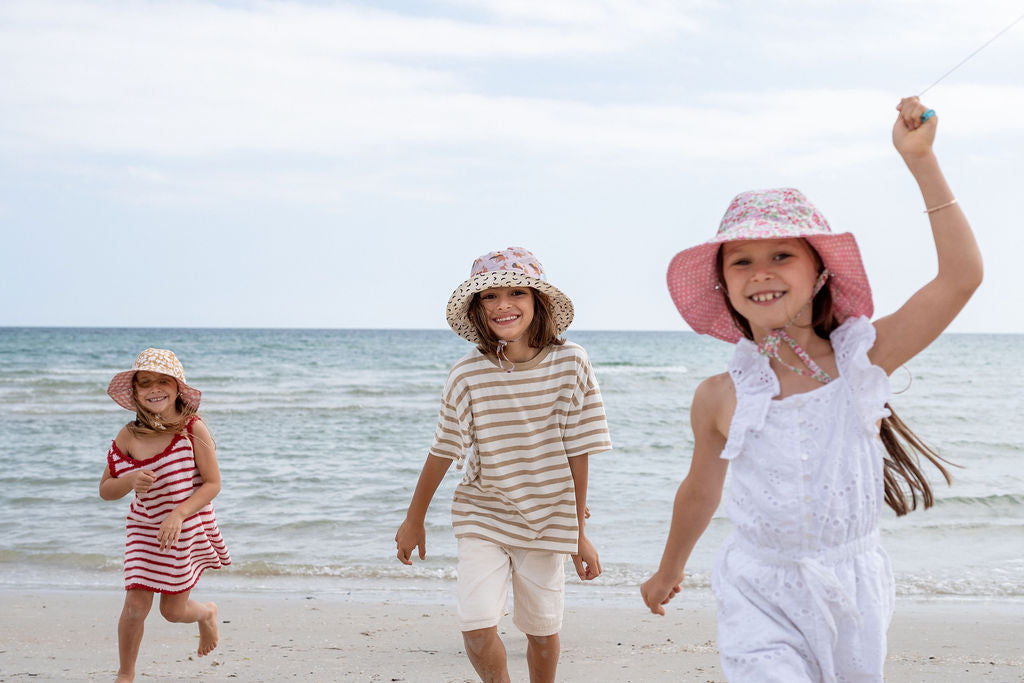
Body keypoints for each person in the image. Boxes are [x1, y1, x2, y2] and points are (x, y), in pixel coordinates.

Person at [640, 96, 982, 681]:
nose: (761, 272)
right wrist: (670, 567)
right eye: (740, 261)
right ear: (723, 286)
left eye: (781, 255)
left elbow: (961, 277)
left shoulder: (862, 359)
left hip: (850, 586)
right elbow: (700, 489)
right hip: (756, 586)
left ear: (819, 271)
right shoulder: (720, 394)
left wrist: (921, 162)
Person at [395, 247, 613, 683]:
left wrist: (579, 534)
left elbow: (578, 445)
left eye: (516, 292)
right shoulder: (466, 374)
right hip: (483, 511)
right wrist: (414, 518)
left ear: (538, 302)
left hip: (547, 516)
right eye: (490, 296)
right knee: (476, 628)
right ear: (477, 308)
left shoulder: (571, 361)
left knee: (543, 633)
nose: (503, 305)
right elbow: (443, 448)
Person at [100, 348, 231, 683]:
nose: (154, 388)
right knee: (134, 606)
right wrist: (128, 480)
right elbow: (106, 489)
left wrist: (178, 514)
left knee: (172, 612)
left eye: (162, 381)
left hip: (183, 527)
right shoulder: (128, 435)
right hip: (144, 528)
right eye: (145, 382)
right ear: (135, 391)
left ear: (177, 388)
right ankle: (125, 675)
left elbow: (213, 484)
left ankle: (207, 614)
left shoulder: (192, 429)